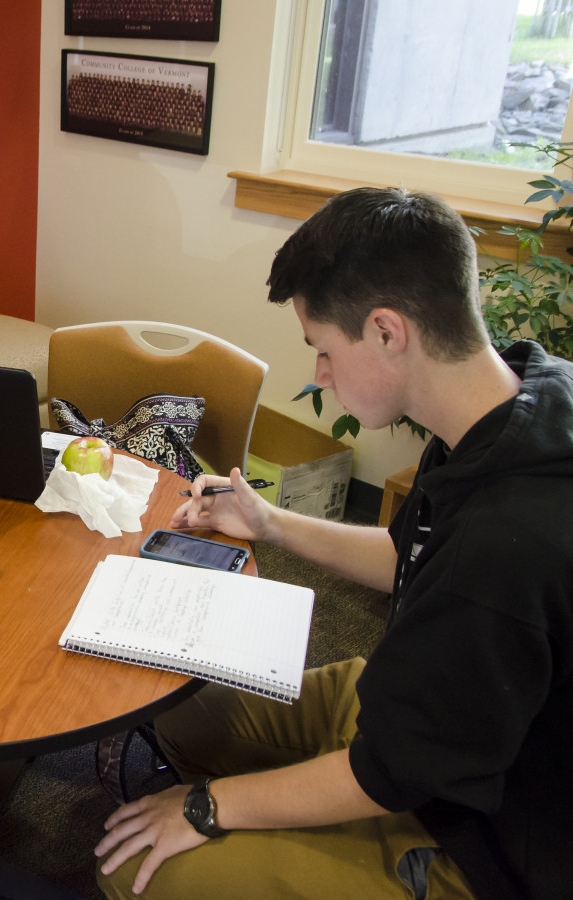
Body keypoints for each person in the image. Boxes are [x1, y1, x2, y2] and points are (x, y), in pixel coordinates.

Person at [95, 188, 573, 899]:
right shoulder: (514, 400)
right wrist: (270, 524)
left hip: (476, 832)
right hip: (431, 700)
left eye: (322, 349)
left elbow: (388, 772)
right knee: (184, 712)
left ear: (387, 331)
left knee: (136, 869)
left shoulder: (505, 548)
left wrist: (206, 806)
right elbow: (408, 553)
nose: (319, 374)